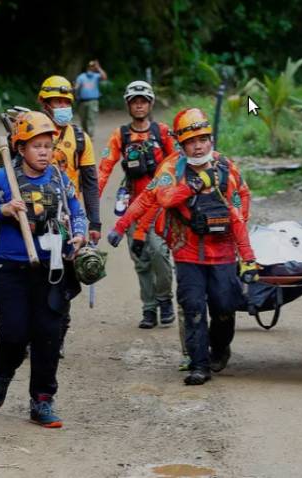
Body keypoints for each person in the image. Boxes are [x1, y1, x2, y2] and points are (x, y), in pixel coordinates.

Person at [0, 111, 87, 428]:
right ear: (20, 148)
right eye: (36, 145)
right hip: (10, 269)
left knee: (48, 336)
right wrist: (5, 208)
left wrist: (78, 234)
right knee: (14, 333)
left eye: (47, 145)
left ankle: (42, 401)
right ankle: (3, 373)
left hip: (52, 270)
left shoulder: (60, 180)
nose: (43, 151)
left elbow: (76, 212)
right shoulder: (4, 178)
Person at [152, 107, 258, 386]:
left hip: (222, 252)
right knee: (194, 307)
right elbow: (162, 198)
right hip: (187, 251)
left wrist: (245, 250)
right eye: (191, 142)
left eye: (202, 140)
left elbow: (240, 202)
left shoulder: (227, 167)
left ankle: (220, 347)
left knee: (225, 306)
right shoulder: (171, 168)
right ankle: (199, 365)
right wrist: (192, 188)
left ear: (210, 139)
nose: (198, 147)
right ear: (181, 144)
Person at [100, 81, 178, 329]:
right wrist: (91, 202)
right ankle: (149, 308)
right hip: (133, 203)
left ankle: (165, 298)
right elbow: (103, 169)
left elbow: (179, 162)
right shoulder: (120, 135)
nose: (139, 105)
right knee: (141, 259)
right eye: (135, 101)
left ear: (150, 103)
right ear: (128, 105)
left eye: (143, 100)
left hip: (160, 205)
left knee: (159, 253)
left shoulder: (162, 132)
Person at [37, 75, 101, 357]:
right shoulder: (30, 135)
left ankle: (57, 333)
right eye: (56, 102)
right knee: (31, 277)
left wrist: (94, 221)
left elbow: (89, 182)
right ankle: (31, 333)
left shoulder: (80, 138)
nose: (62, 106)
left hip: (66, 219)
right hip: (33, 215)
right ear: (44, 104)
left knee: (62, 281)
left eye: (66, 101)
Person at [74, 60, 107, 137]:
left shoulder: (96, 76)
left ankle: (90, 135)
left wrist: (98, 68)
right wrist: (75, 89)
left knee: (91, 118)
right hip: (82, 102)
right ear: (87, 67)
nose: (91, 68)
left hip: (93, 101)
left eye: (93, 67)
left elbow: (104, 77)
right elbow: (77, 86)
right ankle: (85, 135)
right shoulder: (81, 77)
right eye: (90, 66)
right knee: (83, 120)